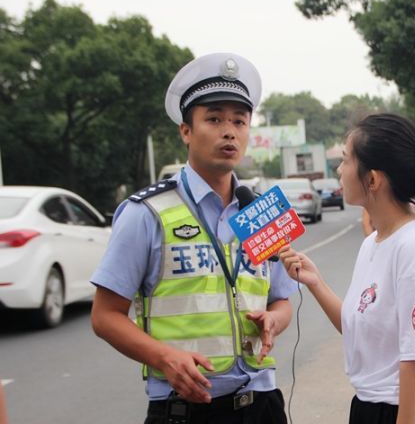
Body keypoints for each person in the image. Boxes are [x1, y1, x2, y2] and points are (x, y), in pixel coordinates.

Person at [91, 52, 296, 424]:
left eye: (239, 120)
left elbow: (281, 300)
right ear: (186, 130)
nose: (229, 131)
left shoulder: (263, 211)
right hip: (184, 410)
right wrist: (163, 358)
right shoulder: (146, 213)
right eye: (214, 119)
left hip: (262, 403)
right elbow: (105, 316)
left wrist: (274, 320)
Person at [279, 113, 415, 424]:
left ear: (373, 179)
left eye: (346, 160)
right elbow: (357, 327)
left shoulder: (414, 248)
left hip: (410, 413)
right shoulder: (374, 243)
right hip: (371, 408)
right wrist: (316, 283)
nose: (339, 170)